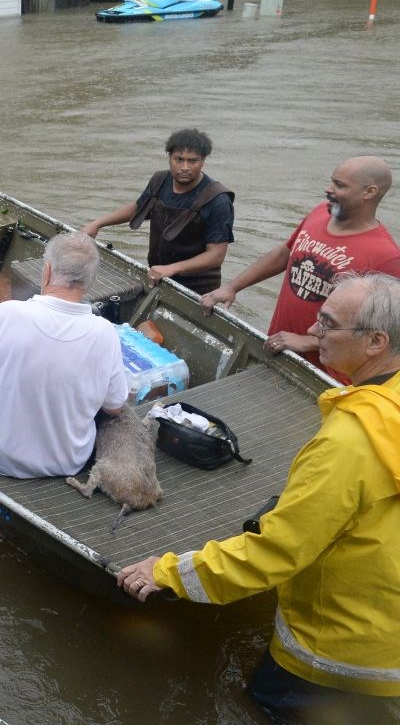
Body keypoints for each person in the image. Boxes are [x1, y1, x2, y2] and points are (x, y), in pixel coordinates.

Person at [118, 272, 400, 724]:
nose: (312, 331)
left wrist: (167, 569)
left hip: (338, 647)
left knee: (266, 707)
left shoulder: (349, 443)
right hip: (389, 623)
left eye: (327, 324)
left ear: (375, 342)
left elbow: (276, 552)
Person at [201, 156, 400, 382]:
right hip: (278, 346)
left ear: (369, 192)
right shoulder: (318, 214)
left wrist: (306, 341)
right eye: (332, 181)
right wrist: (232, 287)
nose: (329, 189)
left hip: (326, 375)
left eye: (340, 185)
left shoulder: (385, 255)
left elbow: (383, 334)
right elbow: (284, 254)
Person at [0, 231, 128, 477]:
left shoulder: (6, 313)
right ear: (89, 283)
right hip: (68, 463)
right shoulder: (105, 333)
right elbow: (115, 407)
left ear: (46, 271)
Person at [83, 128, 234, 295]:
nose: (184, 167)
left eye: (192, 161)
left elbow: (216, 256)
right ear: (169, 157)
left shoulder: (217, 200)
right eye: (179, 159)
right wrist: (97, 223)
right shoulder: (160, 180)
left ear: (203, 160)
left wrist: (172, 269)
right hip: (158, 275)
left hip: (197, 288)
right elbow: (139, 207)